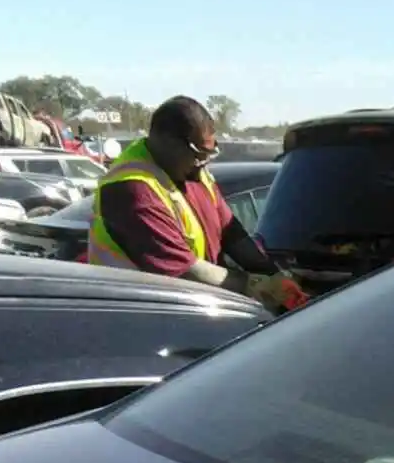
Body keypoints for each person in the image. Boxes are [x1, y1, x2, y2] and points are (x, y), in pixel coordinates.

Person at [88, 96, 303, 311]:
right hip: (144, 314)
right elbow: (183, 270)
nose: (203, 164)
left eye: (208, 154)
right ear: (168, 142)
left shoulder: (191, 171)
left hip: (197, 304)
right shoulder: (132, 190)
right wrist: (256, 286)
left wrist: (272, 274)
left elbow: (231, 233)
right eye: (198, 154)